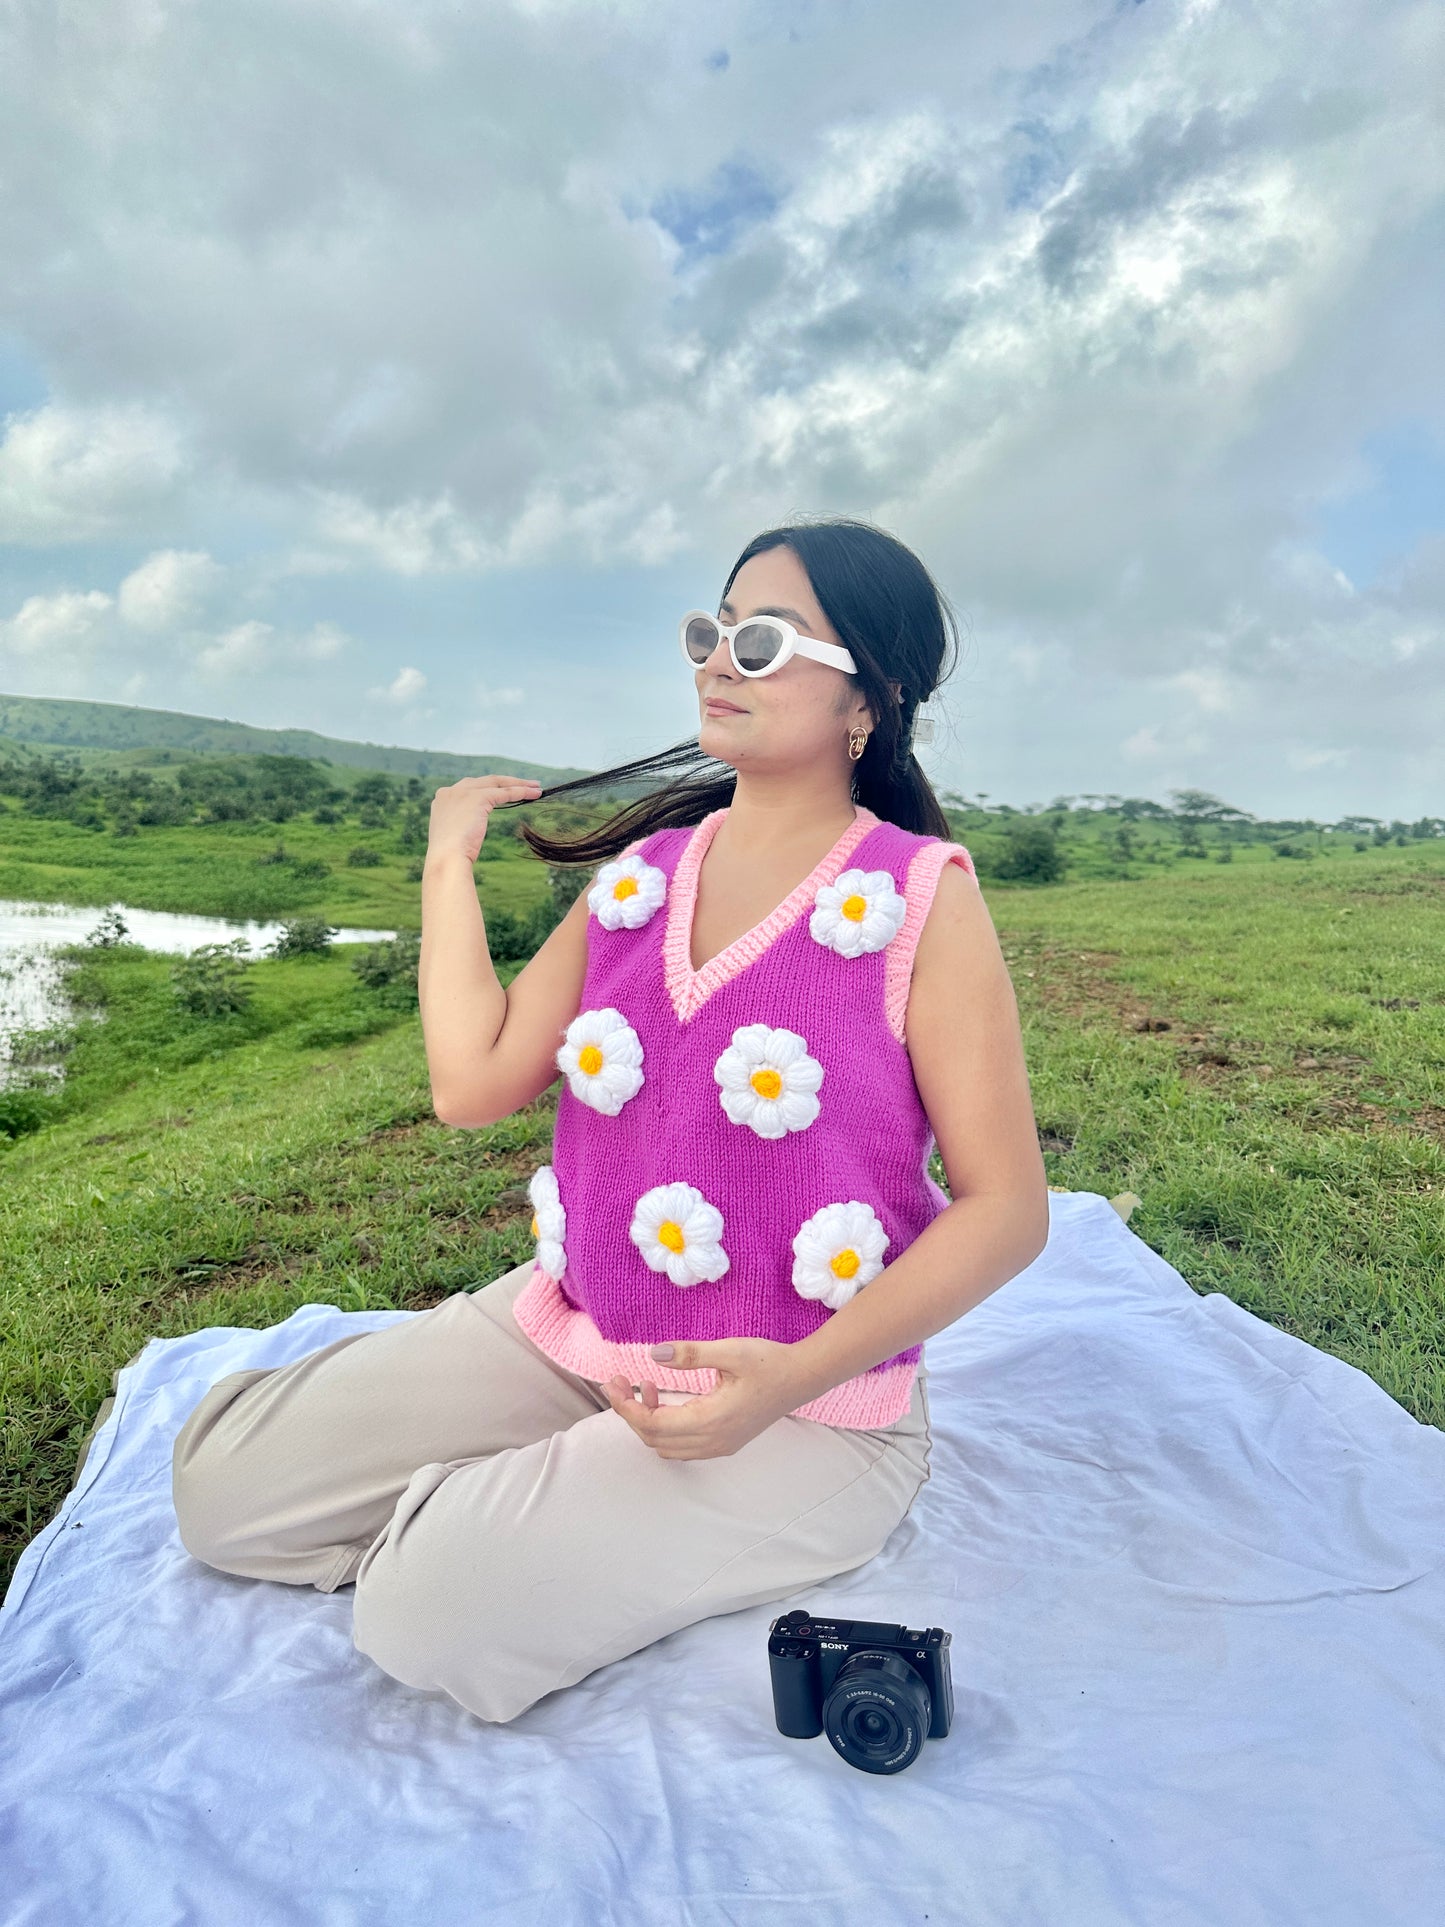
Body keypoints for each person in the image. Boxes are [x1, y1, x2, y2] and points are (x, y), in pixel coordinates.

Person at [171, 514, 1049, 1725]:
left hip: (796, 1400)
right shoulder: (637, 881)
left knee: (423, 1613)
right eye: (710, 631)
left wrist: (788, 1373)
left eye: (760, 641)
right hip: (578, 1330)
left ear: (869, 700)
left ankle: (495, 1519)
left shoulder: (917, 903)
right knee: (224, 1491)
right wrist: (445, 866)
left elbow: (1007, 1210)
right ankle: (512, 1489)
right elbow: (470, 1083)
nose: (712, 661)